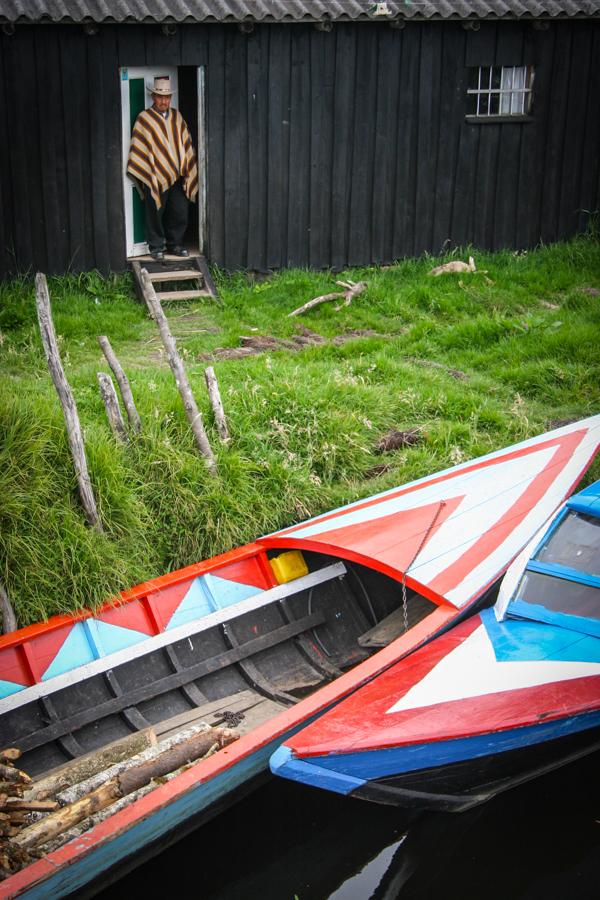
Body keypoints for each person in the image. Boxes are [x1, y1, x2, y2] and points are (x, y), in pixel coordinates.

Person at [126, 76, 198, 261]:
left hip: (178, 173)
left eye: (167, 97)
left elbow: (185, 142)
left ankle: (175, 244)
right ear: (153, 97)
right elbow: (140, 148)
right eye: (159, 96)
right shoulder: (144, 119)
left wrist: (186, 167)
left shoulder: (177, 116)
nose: (163, 101)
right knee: (155, 211)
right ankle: (156, 246)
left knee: (180, 210)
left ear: (170, 99)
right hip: (154, 174)